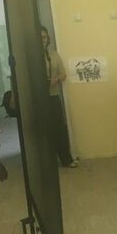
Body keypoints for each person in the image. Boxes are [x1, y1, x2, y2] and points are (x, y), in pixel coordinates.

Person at [41, 26, 78, 167]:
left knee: (60, 129)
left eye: (45, 37)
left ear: (48, 38)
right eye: (40, 38)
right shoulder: (32, 56)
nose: (43, 40)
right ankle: (47, 163)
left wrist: (54, 80)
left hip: (53, 96)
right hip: (39, 99)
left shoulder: (54, 55)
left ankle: (66, 159)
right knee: (44, 131)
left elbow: (63, 74)